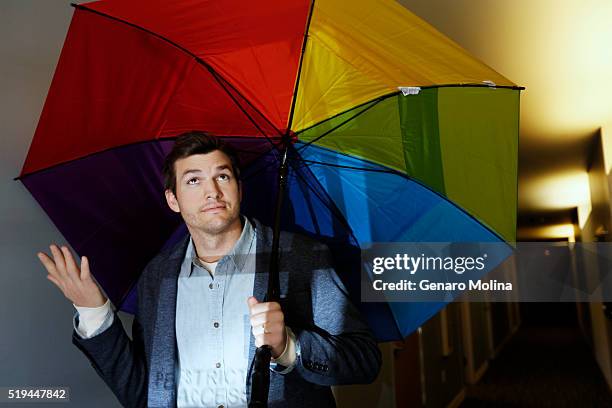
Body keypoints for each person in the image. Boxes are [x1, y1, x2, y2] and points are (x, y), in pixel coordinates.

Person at [37, 131, 381, 408]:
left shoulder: (304, 258)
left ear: (239, 188)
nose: (212, 191)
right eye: (193, 181)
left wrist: (290, 347)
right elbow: (143, 394)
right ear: (173, 200)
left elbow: (363, 360)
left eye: (223, 176)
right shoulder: (157, 276)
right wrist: (94, 312)